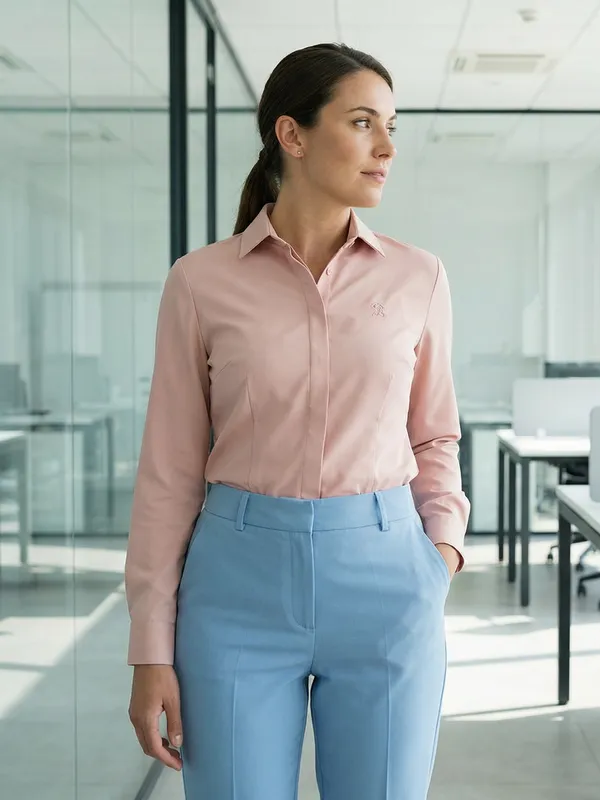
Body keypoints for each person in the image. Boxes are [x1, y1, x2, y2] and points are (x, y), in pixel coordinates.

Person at [125, 42, 470, 800]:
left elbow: (435, 435)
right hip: (234, 588)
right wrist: (150, 646)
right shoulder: (200, 283)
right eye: (362, 122)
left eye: (392, 126)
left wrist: (436, 557)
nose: (386, 147)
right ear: (293, 134)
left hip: (388, 581)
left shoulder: (419, 277)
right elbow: (169, 471)